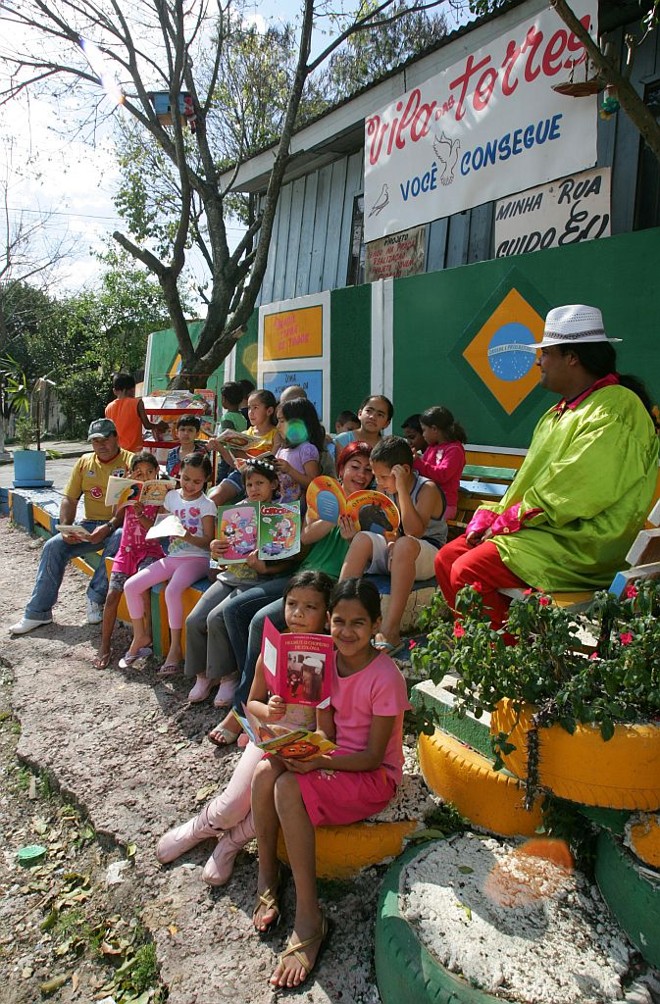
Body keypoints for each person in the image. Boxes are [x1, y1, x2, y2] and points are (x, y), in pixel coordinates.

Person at [436, 304, 660, 628]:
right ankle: (496, 644)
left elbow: (579, 488)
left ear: (573, 357)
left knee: (469, 569)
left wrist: (508, 520)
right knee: (447, 558)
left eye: (547, 353)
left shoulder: (617, 406)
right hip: (552, 528)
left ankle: (505, 667)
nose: (539, 361)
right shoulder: (559, 412)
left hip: (588, 541)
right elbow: (532, 484)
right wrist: (496, 517)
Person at [251, 577, 410, 988]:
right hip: (333, 758)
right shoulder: (325, 661)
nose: (346, 631)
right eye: (339, 621)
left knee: (287, 787)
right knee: (266, 771)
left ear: (376, 624)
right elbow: (323, 729)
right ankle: (266, 871)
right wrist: (294, 745)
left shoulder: (386, 676)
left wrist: (318, 759)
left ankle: (310, 918)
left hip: (371, 776)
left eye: (359, 623)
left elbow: (373, 757)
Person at [155, 570, 334, 887]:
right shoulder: (274, 650)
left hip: (304, 748)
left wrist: (313, 748)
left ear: (327, 613)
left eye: (310, 607)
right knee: (235, 801)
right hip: (268, 737)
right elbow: (251, 703)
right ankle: (203, 826)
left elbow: (326, 728)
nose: (298, 613)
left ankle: (230, 844)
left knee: (271, 805)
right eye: (292, 604)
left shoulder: (330, 657)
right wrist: (270, 708)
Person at [208, 442, 372, 745]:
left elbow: (365, 560)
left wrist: (353, 536)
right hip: (300, 576)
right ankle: (260, 689)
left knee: (259, 620)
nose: (361, 474)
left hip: (327, 583)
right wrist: (328, 520)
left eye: (367, 470)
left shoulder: (372, 508)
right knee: (234, 611)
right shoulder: (323, 499)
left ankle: (243, 710)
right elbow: (301, 539)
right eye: (355, 466)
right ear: (341, 468)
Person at [184, 459, 294, 705]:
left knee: (216, 618)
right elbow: (220, 554)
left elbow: (288, 561)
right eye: (249, 484)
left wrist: (265, 566)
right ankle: (203, 675)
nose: (254, 489)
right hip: (229, 577)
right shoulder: (236, 512)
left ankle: (228, 676)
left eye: (260, 483)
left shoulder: (281, 514)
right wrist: (215, 551)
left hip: (255, 582)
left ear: (274, 484)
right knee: (194, 619)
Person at [10, 419, 131, 635]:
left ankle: (95, 597)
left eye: (105, 439)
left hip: (119, 524)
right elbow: (70, 499)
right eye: (95, 441)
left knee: (121, 536)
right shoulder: (85, 462)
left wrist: (110, 526)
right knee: (53, 546)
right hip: (90, 524)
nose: (101, 445)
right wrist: (65, 526)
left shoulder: (130, 461)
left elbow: (134, 501)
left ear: (116, 437)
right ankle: (38, 612)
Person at [340, 436, 447, 654]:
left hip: (427, 552)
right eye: (376, 476)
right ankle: (338, 609)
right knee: (362, 540)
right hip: (398, 549)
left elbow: (414, 531)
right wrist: (389, 543)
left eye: (383, 477)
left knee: (405, 544)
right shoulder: (385, 489)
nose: (378, 483)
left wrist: (402, 490)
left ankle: (391, 630)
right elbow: (390, 529)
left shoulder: (428, 489)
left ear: (403, 471)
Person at [123, 453, 216, 674]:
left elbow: (208, 544)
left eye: (197, 481)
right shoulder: (171, 497)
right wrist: (139, 515)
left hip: (197, 558)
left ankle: (175, 648)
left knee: (172, 590)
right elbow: (158, 529)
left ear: (206, 481)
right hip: (173, 557)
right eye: (186, 479)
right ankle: (141, 636)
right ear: (178, 475)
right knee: (131, 586)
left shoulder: (207, 504)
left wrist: (185, 534)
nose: (190, 485)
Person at [94, 452, 165, 670]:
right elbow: (118, 516)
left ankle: (147, 638)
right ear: (131, 474)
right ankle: (105, 646)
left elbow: (154, 530)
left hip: (150, 550)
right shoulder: (128, 493)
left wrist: (140, 512)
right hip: (126, 551)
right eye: (138, 473)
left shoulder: (159, 497)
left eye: (149, 473)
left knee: (144, 589)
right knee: (112, 594)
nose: (144, 477)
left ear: (156, 474)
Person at [208, 389, 281, 508]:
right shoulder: (245, 434)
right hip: (241, 475)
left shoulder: (276, 434)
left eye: (255, 408)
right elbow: (234, 463)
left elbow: (272, 463)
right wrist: (220, 448)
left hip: (263, 478)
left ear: (269, 411)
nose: (251, 412)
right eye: (249, 408)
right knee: (213, 499)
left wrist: (246, 458)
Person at [415, 406, 467, 521]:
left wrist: (417, 462)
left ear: (434, 429)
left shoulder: (455, 450)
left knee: (416, 521)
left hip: (444, 504)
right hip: (426, 500)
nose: (423, 435)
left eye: (424, 430)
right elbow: (423, 471)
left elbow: (442, 475)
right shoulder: (432, 447)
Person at [274, 398, 323, 503]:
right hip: (279, 502)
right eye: (278, 421)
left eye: (282, 421)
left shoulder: (306, 449)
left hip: (297, 507)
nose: (278, 426)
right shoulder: (282, 450)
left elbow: (313, 484)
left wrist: (290, 470)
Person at [105, 372, 168, 453]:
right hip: (135, 450)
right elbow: (147, 425)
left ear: (114, 391)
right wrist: (159, 425)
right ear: (132, 389)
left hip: (117, 451)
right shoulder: (137, 403)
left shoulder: (108, 408)